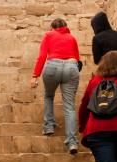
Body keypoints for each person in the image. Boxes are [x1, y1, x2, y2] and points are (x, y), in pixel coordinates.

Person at [30, 18, 81, 154]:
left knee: (49, 95)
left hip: (52, 66)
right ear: (65, 26)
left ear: (53, 27)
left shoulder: (49, 35)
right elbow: (78, 59)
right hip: (71, 67)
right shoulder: (72, 38)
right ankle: (72, 142)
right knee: (69, 106)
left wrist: (35, 75)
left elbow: (42, 56)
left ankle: (49, 127)